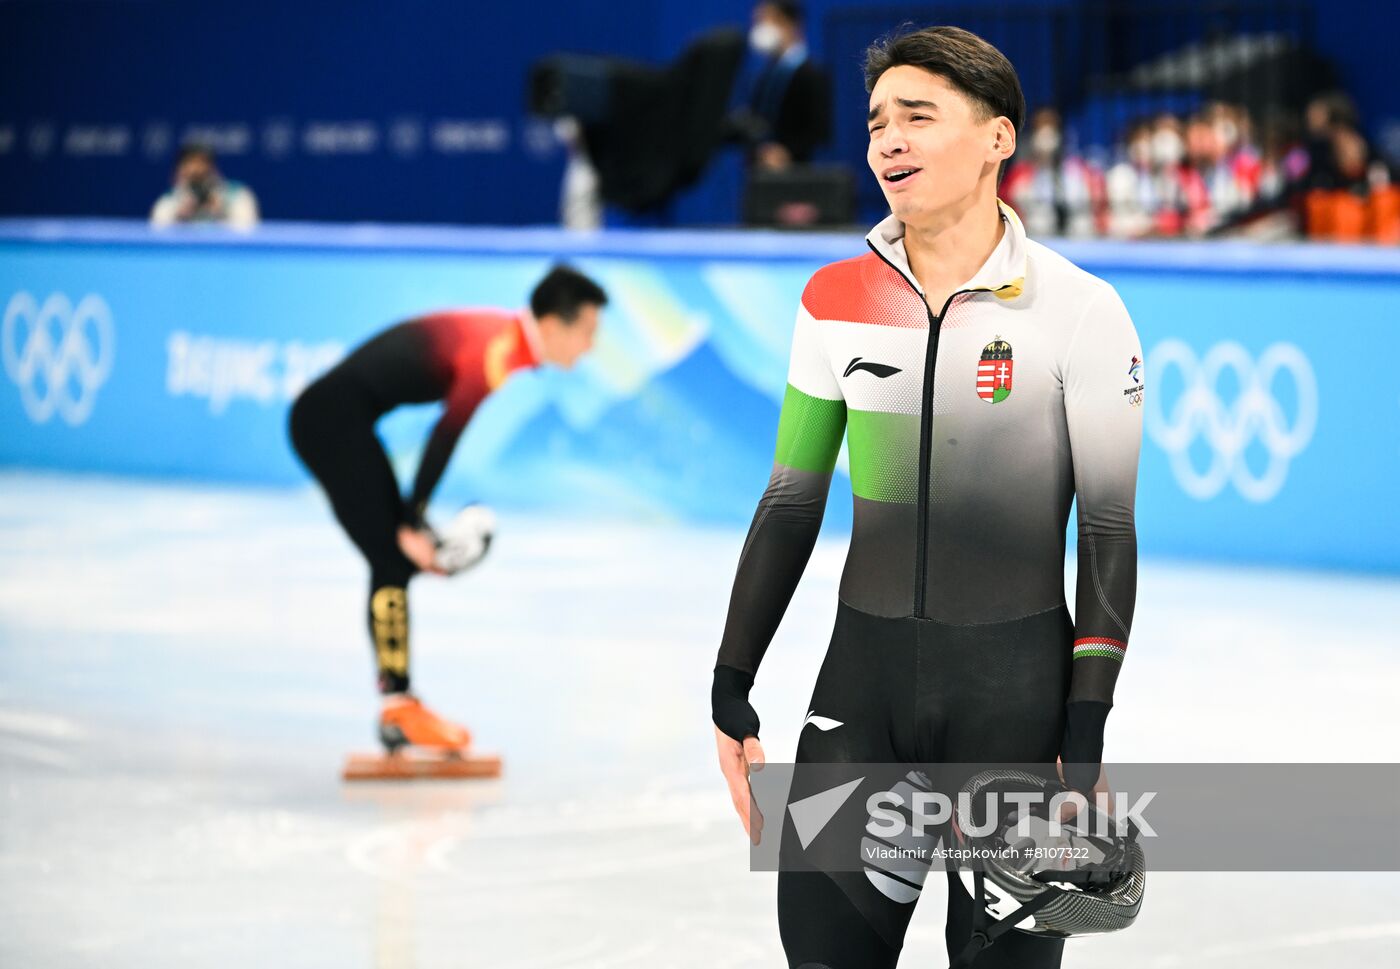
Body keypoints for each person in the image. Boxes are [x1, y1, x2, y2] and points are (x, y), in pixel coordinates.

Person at [710, 25, 1143, 969]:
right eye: (875, 123)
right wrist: (731, 682)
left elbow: (1107, 531)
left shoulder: (1081, 311)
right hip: (857, 708)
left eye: (918, 116)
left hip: (1017, 720)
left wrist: (1084, 727)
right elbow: (791, 500)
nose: (888, 141)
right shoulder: (834, 297)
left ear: (998, 138)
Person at [290, 265, 606, 750]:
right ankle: (398, 709)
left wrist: (413, 520)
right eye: (587, 332)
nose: (591, 346)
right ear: (552, 326)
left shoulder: (504, 339)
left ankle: (398, 707)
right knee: (392, 557)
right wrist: (413, 520)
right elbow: (447, 432)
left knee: (394, 559)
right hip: (330, 422)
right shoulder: (500, 349)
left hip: (339, 419)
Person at [729, 0, 832, 170]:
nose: (760, 28)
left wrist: (787, 152)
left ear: (791, 23)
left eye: (767, 20)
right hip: (760, 173)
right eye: (757, 21)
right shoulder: (765, 77)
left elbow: (819, 131)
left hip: (797, 174)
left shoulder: (812, 75)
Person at [150, 143, 260, 229]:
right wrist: (179, 217)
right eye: (192, 175)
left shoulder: (238, 194)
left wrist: (222, 213)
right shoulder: (168, 201)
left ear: (214, 169)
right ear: (179, 172)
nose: (196, 170)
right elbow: (157, 237)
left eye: (203, 168)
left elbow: (248, 235)